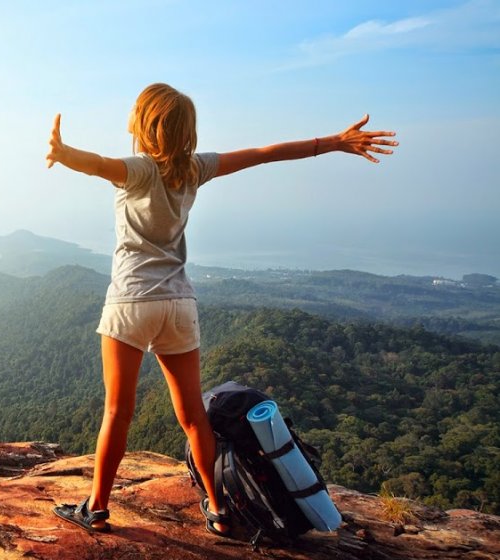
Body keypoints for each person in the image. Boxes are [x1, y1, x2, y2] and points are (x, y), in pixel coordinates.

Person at [45, 83, 396, 536]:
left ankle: (95, 507)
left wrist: (63, 151)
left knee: (118, 411)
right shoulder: (195, 168)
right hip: (179, 304)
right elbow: (264, 153)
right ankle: (218, 508)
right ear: (185, 130)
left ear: (144, 125)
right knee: (193, 415)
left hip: (132, 300)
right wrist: (333, 143)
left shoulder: (137, 170)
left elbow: (95, 165)